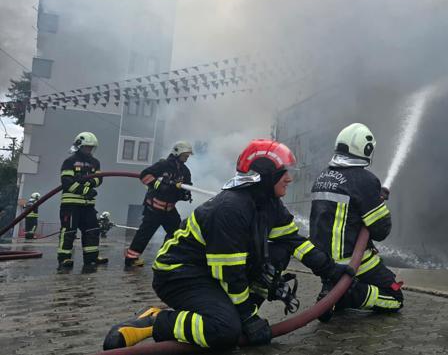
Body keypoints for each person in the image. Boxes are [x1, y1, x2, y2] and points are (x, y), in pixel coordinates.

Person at [103, 139, 354, 350]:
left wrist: (330, 270)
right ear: (265, 176)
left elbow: (295, 242)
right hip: (180, 274)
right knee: (224, 332)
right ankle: (157, 321)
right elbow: (229, 272)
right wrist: (248, 318)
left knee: (279, 250)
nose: (289, 179)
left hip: (211, 272)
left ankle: (236, 312)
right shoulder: (231, 208)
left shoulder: (268, 203)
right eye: (283, 173)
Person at [309, 123, 403, 322]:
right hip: (351, 262)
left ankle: (335, 292)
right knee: (395, 297)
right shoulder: (365, 180)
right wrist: (377, 203)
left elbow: (348, 214)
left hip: (322, 261)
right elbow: (380, 231)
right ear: (367, 149)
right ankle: (347, 294)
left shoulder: (322, 176)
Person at [124, 141, 194, 267]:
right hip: (154, 208)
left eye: (188, 156)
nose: (187, 158)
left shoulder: (185, 171)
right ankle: (131, 258)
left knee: (177, 233)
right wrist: (160, 186)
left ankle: (167, 257)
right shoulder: (164, 165)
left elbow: (187, 185)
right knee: (145, 234)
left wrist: (185, 194)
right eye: (185, 155)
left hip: (170, 210)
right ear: (177, 152)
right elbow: (144, 175)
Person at [57, 132, 107, 271]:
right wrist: (86, 190)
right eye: (86, 147)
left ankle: (91, 258)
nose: (89, 150)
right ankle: (64, 258)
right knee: (69, 232)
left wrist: (91, 181)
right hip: (71, 205)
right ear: (79, 146)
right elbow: (67, 182)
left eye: (91, 147)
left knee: (92, 230)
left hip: (88, 205)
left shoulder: (95, 162)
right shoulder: (69, 162)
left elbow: (99, 179)